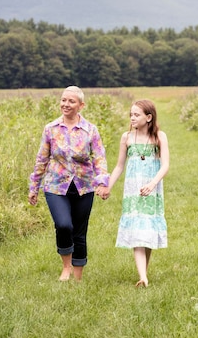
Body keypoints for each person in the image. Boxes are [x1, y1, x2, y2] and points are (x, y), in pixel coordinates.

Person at [28, 86, 108, 282]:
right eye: (64, 100)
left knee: (80, 231)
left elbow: (99, 158)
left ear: (81, 105)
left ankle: (78, 276)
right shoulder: (51, 129)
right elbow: (42, 159)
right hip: (56, 185)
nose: (66, 104)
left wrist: (102, 183)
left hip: (84, 186)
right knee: (64, 225)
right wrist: (34, 187)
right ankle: (66, 267)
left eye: (71, 101)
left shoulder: (90, 130)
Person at [101, 99, 169, 287]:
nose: (132, 117)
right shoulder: (127, 138)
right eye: (131, 114)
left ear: (148, 117)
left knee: (147, 229)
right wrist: (108, 186)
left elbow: (165, 165)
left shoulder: (159, 137)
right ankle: (143, 277)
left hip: (151, 188)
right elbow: (119, 166)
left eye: (136, 114)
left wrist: (153, 183)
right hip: (133, 189)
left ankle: (143, 273)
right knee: (138, 230)